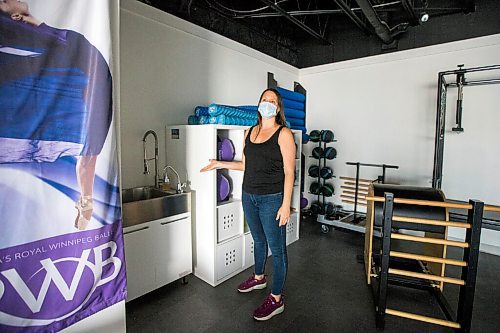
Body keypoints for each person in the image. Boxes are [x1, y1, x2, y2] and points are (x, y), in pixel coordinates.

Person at [0, 0, 112, 230]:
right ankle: (86, 206)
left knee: (89, 155)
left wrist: (32, 22)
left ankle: (86, 205)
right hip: (90, 85)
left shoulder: (38, 30)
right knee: (89, 155)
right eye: (4, 1)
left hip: (96, 80)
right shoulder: (23, 35)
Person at [201, 88, 296, 321]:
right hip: (249, 196)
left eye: (272, 101)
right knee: (258, 240)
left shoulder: (284, 134)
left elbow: (289, 171)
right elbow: (245, 165)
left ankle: (276, 299)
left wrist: (286, 205)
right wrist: (217, 163)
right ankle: (259, 277)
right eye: (264, 99)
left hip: (272, 198)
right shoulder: (249, 132)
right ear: (259, 104)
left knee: (279, 249)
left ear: (278, 107)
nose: (267, 103)